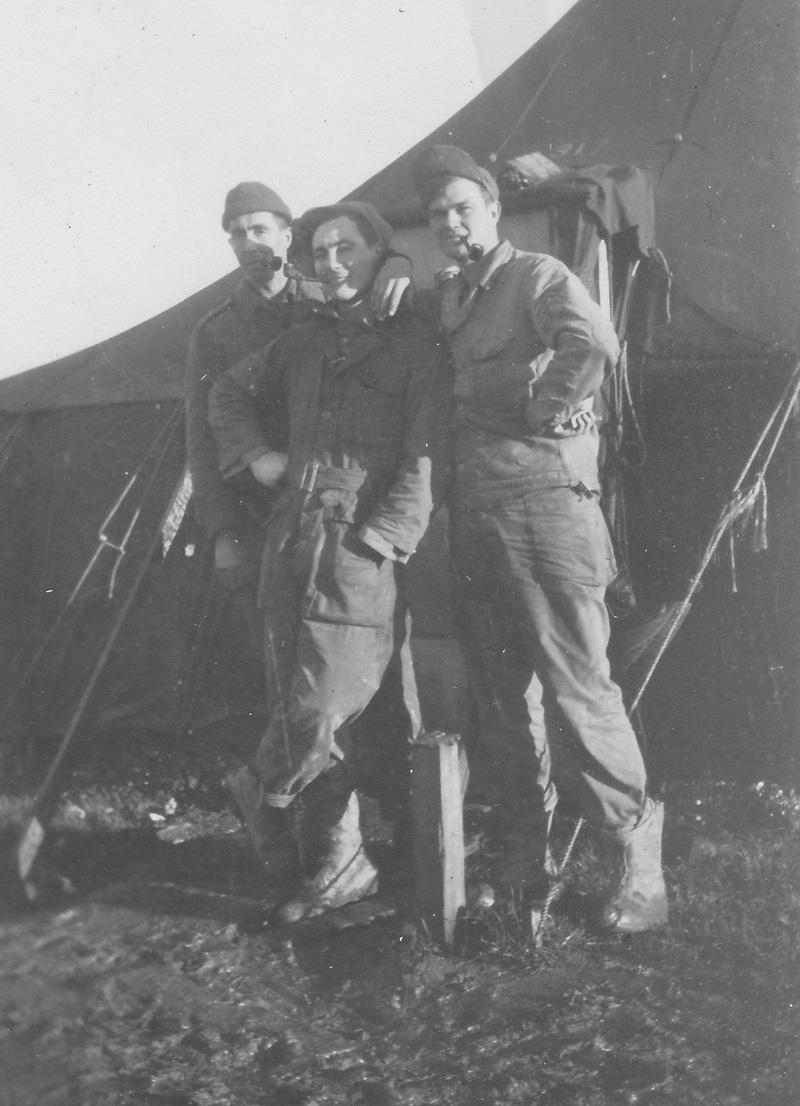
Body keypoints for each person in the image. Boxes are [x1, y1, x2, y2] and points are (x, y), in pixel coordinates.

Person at [411, 144, 668, 933]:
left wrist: (548, 410)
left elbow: (591, 343)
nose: (451, 224)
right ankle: (530, 852)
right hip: (479, 519)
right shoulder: (449, 299)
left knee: (576, 687)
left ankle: (639, 856)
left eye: (463, 207)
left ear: (491, 208)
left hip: (546, 512)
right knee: (503, 694)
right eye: (437, 215)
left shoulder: (538, 277)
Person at [209, 201, 449, 922]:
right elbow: (225, 392)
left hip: (356, 542)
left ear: (379, 252)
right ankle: (339, 863)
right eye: (321, 253)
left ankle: (260, 789)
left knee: (326, 701)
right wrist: (257, 457)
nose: (334, 263)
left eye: (349, 248)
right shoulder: (305, 340)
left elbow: (424, 454)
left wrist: (381, 540)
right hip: (290, 537)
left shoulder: (416, 340)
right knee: (301, 696)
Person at [186, 181, 413, 596]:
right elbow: (201, 438)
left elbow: (376, 271)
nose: (249, 242)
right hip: (257, 508)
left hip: (342, 503)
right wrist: (223, 531)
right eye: (237, 234)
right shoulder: (215, 332)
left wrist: (400, 262)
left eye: (259, 230)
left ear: (287, 237)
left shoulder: (329, 300)